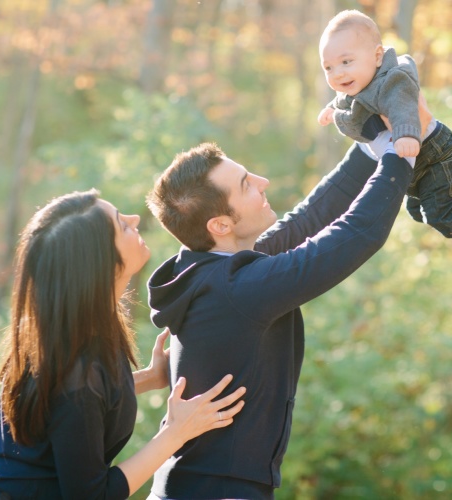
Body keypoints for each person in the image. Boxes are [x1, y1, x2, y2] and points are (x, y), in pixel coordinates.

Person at [144, 129, 413, 499]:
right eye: (246, 185)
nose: (262, 182)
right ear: (221, 225)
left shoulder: (213, 272)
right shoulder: (237, 288)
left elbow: (306, 221)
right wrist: (401, 153)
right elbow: (357, 234)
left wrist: (373, 144)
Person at [0, 189, 246, 499]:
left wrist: (149, 379)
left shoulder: (73, 331)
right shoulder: (75, 368)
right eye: (121, 224)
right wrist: (175, 433)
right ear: (100, 263)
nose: (135, 218)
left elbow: (67, 413)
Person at [317, 9, 452, 275]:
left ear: (377, 56)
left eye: (346, 62)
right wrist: (331, 109)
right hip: (422, 162)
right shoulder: (356, 85)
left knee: (438, 213)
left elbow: (403, 107)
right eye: (328, 67)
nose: (337, 74)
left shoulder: (393, 80)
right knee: (417, 210)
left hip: (438, 153)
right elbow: (345, 103)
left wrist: (406, 134)